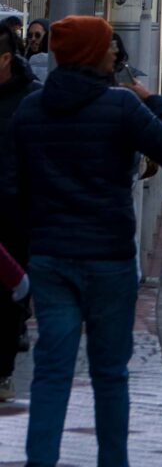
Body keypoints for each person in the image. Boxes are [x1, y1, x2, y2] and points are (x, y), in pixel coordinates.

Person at [2, 13, 162, 467]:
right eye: (108, 47)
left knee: (51, 370)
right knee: (110, 374)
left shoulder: (31, 109)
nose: (113, 55)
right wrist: (154, 100)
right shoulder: (121, 106)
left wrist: (32, 240)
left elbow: (12, 189)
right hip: (109, 257)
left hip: (51, 258)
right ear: (91, 53)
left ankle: (40, 460)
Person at [0, 29, 34, 399]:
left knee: (8, 296)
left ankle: (3, 371)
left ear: (6, 58)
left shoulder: (30, 98)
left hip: (13, 216)